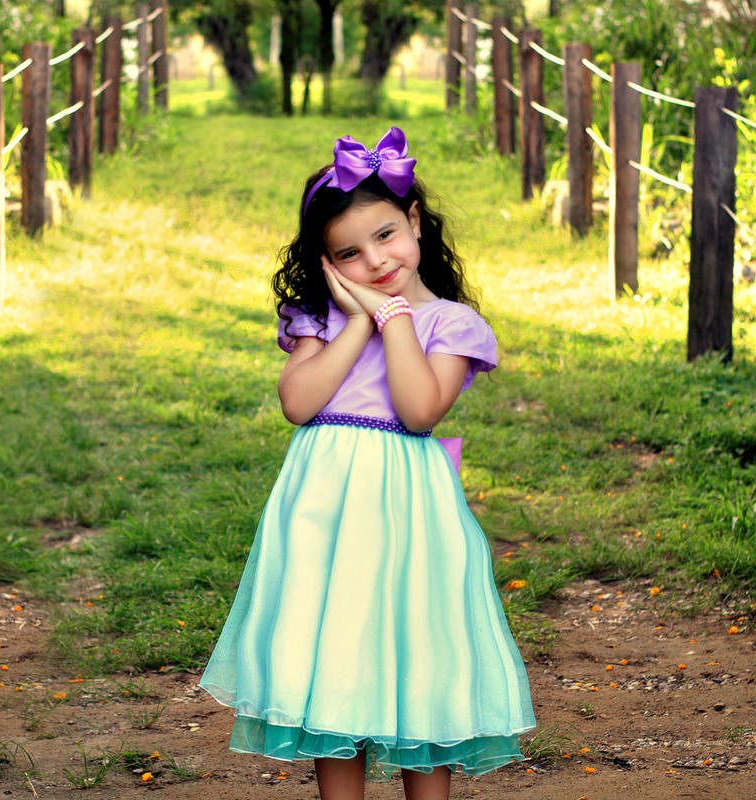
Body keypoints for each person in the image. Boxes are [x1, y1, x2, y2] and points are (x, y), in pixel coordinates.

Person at [199, 128, 536, 800]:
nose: (375, 260)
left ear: (414, 220)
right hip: (323, 513)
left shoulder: (451, 323)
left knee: (421, 656)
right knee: (334, 658)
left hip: (408, 512)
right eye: (349, 253)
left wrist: (393, 316)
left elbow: (418, 410)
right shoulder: (323, 321)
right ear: (326, 264)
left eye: (386, 235)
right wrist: (357, 322)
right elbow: (298, 402)